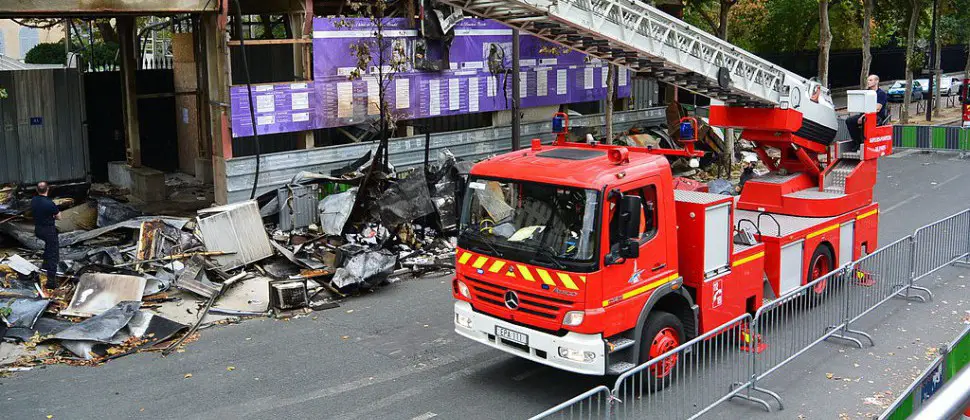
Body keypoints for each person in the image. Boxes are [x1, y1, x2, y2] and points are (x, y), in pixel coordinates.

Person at [30, 182, 60, 289]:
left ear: (37, 190)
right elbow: (59, 217)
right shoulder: (50, 203)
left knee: (48, 248)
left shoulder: (33, 201)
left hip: (38, 229)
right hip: (49, 231)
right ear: (48, 189)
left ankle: (45, 267)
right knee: (53, 254)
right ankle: (51, 281)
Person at [847, 74, 889, 150]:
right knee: (849, 120)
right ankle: (857, 142)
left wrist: (863, 116)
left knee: (865, 120)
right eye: (868, 80)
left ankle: (865, 143)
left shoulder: (881, 94)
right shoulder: (866, 92)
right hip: (865, 114)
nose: (868, 82)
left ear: (876, 81)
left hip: (877, 116)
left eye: (870, 80)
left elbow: (877, 109)